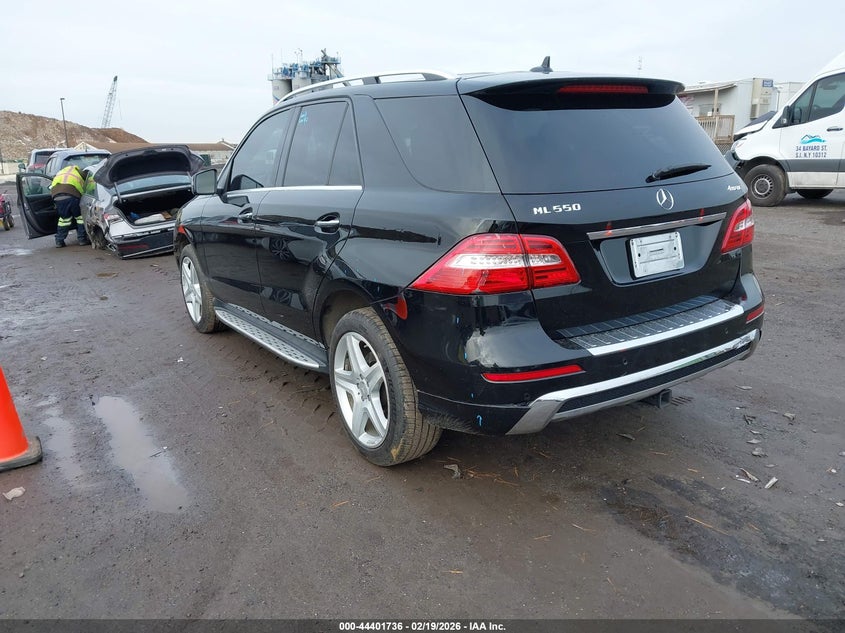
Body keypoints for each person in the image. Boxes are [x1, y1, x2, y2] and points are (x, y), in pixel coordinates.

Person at [49, 165, 90, 248]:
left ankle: (59, 241)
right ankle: (82, 239)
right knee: (79, 218)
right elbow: (81, 189)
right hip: (72, 196)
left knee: (64, 219)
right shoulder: (78, 174)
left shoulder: (60, 173)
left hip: (57, 197)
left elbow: (51, 187)